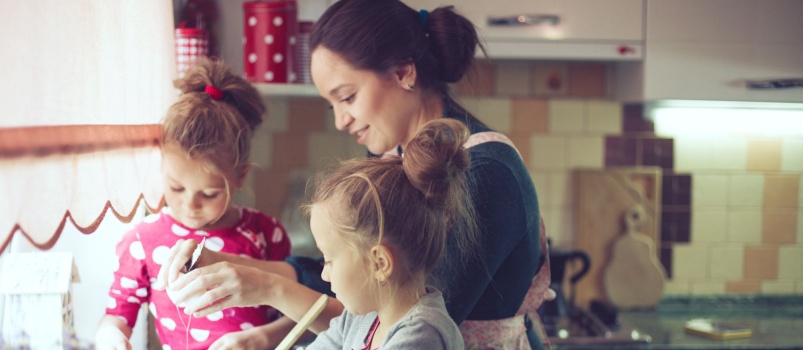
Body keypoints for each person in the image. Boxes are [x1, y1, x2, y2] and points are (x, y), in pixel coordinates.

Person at [156, 0, 551, 348]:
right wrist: (226, 264)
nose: (342, 121)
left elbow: (387, 314)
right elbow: (341, 269)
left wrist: (266, 288)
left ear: (402, 72)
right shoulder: (392, 156)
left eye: (347, 97)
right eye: (332, 106)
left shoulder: (485, 173)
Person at [94, 57, 292, 350]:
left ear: (240, 176)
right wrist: (110, 338)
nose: (190, 205)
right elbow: (117, 315)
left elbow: (298, 313)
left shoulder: (266, 232)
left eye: (209, 193)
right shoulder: (141, 240)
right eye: (176, 187)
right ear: (162, 168)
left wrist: (261, 339)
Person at [302, 119, 475, 349]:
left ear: (379, 263)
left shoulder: (421, 335)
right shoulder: (360, 317)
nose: (324, 275)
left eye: (329, 260)